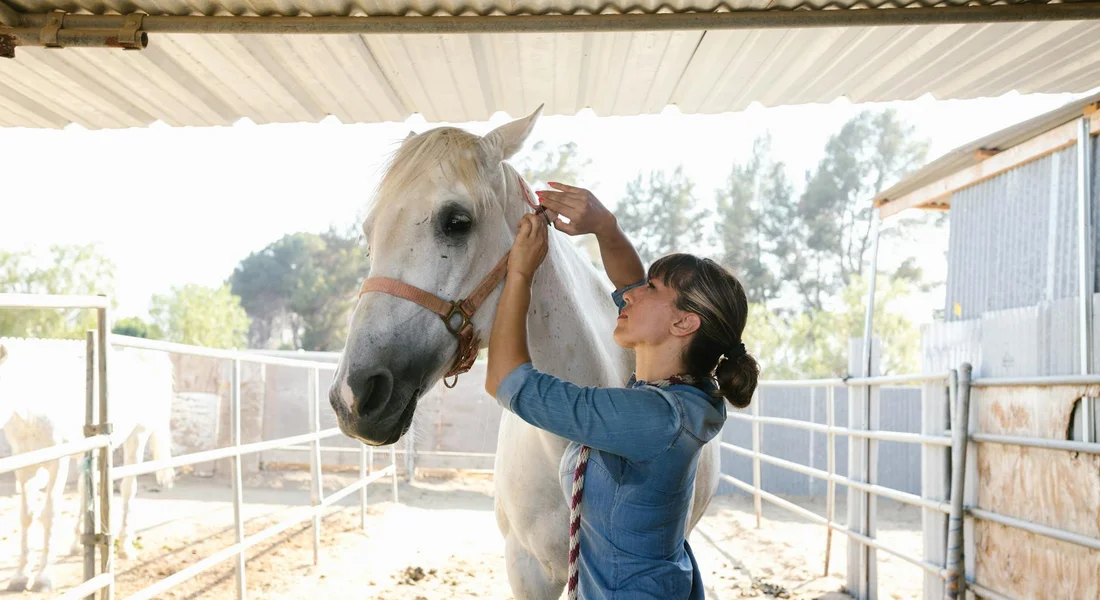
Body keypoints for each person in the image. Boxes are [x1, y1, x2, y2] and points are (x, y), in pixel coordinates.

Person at [485, 182, 760, 600]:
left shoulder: (652, 417)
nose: (631, 294)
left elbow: (507, 381)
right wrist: (605, 228)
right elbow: (628, 282)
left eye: (651, 289)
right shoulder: (687, 392)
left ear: (684, 325)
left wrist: (520, 273)